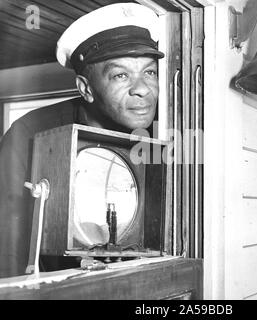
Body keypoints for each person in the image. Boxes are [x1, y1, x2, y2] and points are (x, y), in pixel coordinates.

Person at [0, 3, 164, 278]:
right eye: (121, 75)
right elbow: (6, 248)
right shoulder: (29, 132)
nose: (142, 90)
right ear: (85, 88)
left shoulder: (167, 129)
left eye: (149, 72)